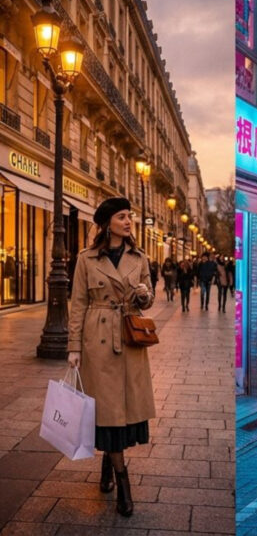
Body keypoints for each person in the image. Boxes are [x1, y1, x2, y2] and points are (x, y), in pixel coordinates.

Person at [66, 197, 156, 518]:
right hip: (98, 341)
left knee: (119, 413)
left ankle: (108, 465)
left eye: (130, 216)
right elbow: (77, 305)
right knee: (107, 409)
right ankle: (124, 484)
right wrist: (74, 347)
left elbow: (148, 298)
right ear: (107, 223)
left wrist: (145, 295)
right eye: (122, 216)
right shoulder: (86, 259)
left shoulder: (139, 256)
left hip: (129, 339)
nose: (129, 221)